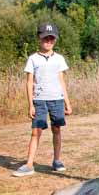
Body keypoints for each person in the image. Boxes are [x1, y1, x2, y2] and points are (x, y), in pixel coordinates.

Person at [12, 23, 73, 177]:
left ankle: (57, 160)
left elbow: (62, 81)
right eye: (45, 38)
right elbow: (29, 82)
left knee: (56, 129)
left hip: (56, 99)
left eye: (51, 38)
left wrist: (67, 102)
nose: (48, 41)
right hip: (39, 100)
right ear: (39, 39)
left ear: (55, 40)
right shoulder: (33, 59)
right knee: (36, 132)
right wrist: (30, 104)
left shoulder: (59, 59)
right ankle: (29, 164)